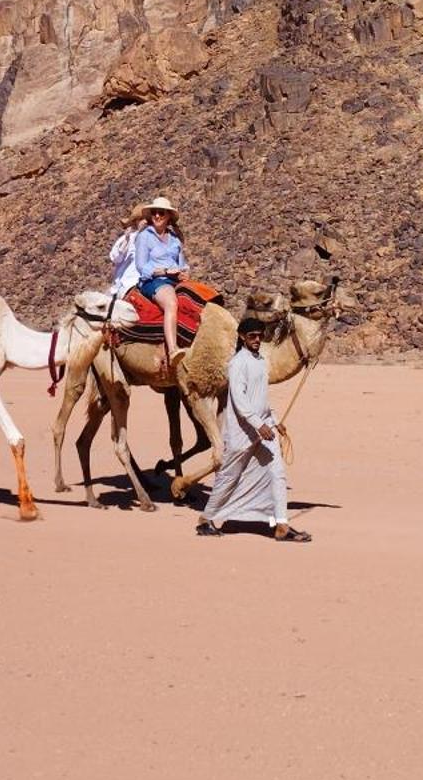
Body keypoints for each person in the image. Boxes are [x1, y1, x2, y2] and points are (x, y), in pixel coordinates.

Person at [197, 316, 311, 541]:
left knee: (277, 474)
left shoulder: (260, 361)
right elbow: (240, 401)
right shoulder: (238, 363)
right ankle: (206, 519)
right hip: (243, 432)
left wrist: (274, 420)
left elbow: (261, 398)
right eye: (252, 336)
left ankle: (281, 525)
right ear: (242, 337)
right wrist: (259, 425)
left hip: (264, 428)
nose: (257, 340)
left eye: (260, 336)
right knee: (229, 476)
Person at [133, 196, 189, 360]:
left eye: (161, 213)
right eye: (154, 213)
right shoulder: (144, 237)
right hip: (153, 280)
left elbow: (182, 263)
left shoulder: (175, 239)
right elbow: (141, 266)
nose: (157, 216)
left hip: (175, 278)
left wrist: (185, 273)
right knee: (171, 302)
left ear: (168, 216)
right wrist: (163, 271)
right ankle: (173, 350)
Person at [108, 202, 150, 295]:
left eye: (148, 219)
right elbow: (115, 258)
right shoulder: (127, 238)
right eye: (141, 219)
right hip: (124, 286)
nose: (145, 222)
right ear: (136, 221)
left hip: (142, 285)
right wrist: (126, 240)